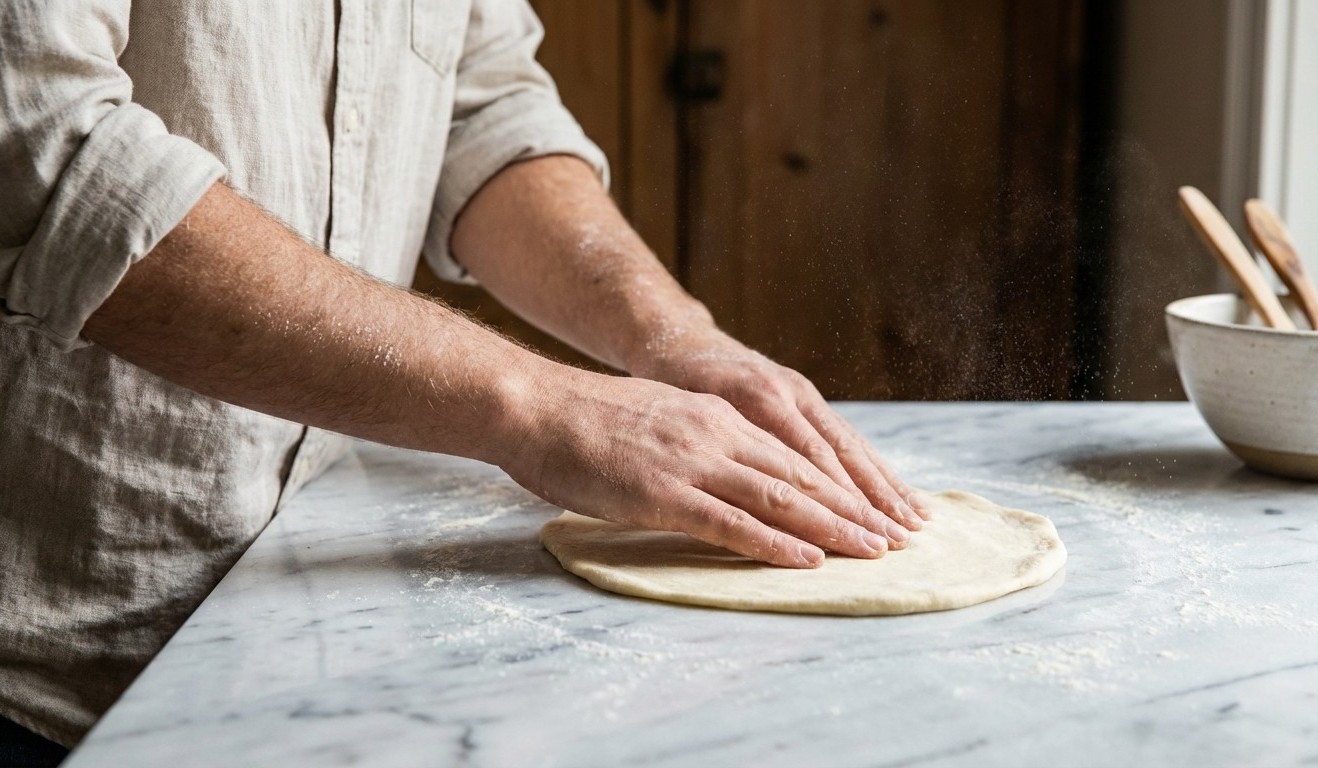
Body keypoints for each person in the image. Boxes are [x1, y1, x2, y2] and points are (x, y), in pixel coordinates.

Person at [0, 0, 927, 760]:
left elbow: (481, 111)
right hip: (56, 656)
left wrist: (673, 336)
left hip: (314, 620)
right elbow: (44, 156)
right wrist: (541, 405)